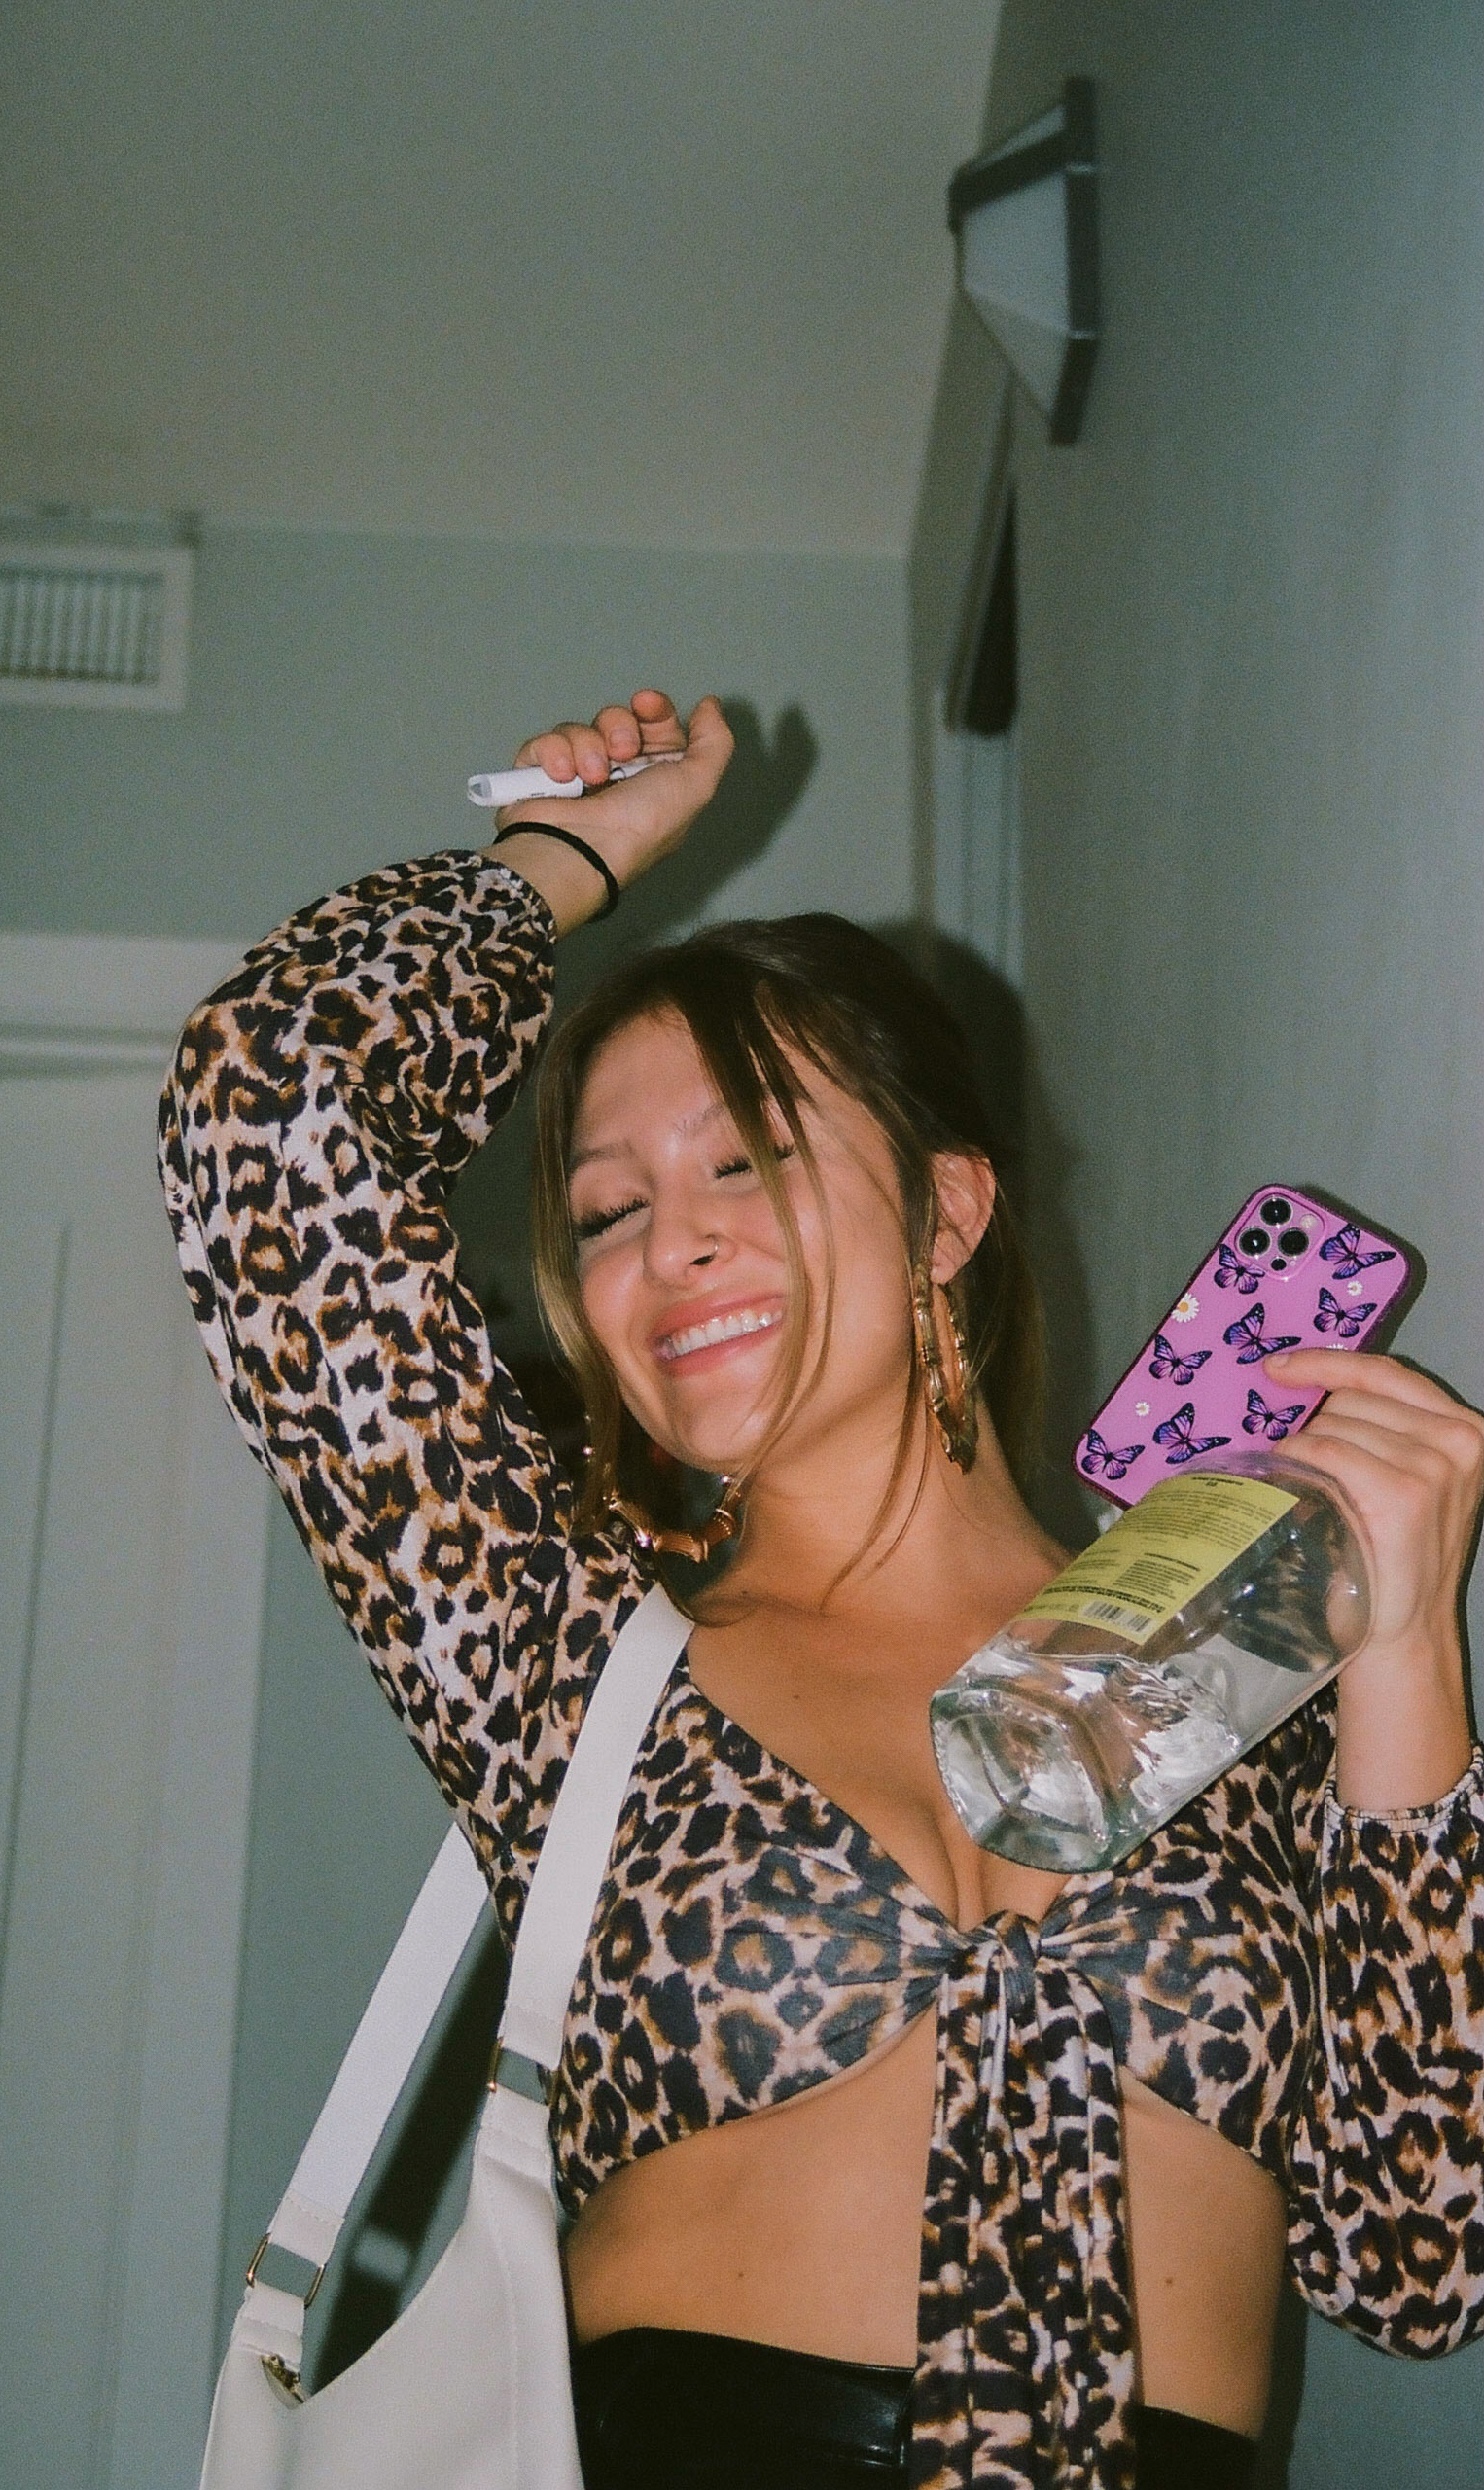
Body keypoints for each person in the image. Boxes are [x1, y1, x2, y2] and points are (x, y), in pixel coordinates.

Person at [159, 688, 1484, 2490]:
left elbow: (1415, 2259)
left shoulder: (1214, 1666)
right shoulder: (565, 1651)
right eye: (607, 1209)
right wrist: (563, 858)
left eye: (742, 1157)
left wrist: (1404, 1645)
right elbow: (266, 1121)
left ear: (946, 1217)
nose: (667, 1237)